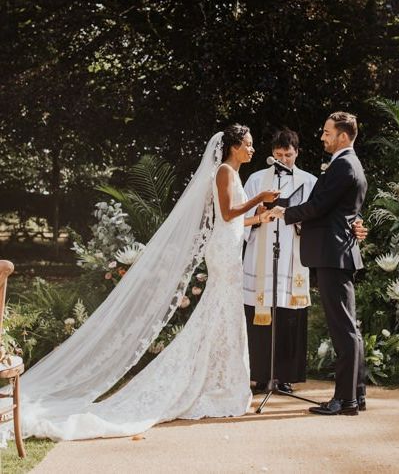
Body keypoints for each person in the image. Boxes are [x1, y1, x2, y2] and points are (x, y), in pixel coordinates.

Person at [18, 125, 279, 440]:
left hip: (229, 247)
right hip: (224, 254)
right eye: (248, 144)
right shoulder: (224, 171)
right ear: (233, 147)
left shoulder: (232, 174)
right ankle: (212, 382)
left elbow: (234, 219)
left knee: (223, 315)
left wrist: (259, 218)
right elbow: (226, 213)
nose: (253, 149)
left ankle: (220, 381)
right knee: (219, 313)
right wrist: (259, 199)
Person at [274, 111, 368, 416]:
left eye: (327, 133)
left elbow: (317, 206)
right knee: (349, 326)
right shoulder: (349, 164)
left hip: (333, 253)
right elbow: (332, 208)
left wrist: (283, 214)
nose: (322, 137)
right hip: (338, 251)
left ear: (342, 136)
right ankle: (357, 394)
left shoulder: (343, 166)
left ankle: (345, 400)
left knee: (343, 328)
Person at [242, 128, 318, 393]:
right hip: (261, 255)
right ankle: (261, 375)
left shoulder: (309, 181)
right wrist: (260, 214)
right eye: (278, 154)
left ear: (296, 152)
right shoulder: (255, 180)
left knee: (288, 316)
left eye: (288, 154)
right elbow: (242, 217)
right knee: (260, 316)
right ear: (271, 154)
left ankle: (285, 376)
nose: (283, 159)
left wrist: (299, 220)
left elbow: (318, 218)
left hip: (292, 257)